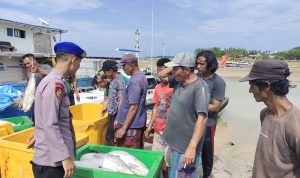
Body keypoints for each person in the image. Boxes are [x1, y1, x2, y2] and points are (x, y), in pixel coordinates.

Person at [32, 42, 86, 178]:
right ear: (74, 60)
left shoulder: (52, 81)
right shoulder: (54, 84)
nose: (78, 68)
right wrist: (65, 157)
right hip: (52, 164)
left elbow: (45, 118)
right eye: (79, 63)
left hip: (52, 160)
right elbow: (50, 123)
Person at [239, 59, 300, 178]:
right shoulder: (265, 114)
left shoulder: (295, 124)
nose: (250, 90)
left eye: (252, 85)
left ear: (267, 86)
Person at [158, 52, 210, 178]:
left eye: (176, 69)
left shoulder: (200, 87)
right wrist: (175, 66)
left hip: (186, 147)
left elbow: (202, 119)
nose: (173, 72)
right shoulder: (178, 81)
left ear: (187, 70)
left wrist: (192, 147)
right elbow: (161, 74)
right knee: (173, 174)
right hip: (173, 142)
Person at [195, 50, 226, 178]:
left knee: (207, 151)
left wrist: (196, 106)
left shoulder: (218, 82)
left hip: (208, 123)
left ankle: (206, 174)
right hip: (193, 120)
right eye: (197, 63)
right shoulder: (196, 77)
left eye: (202, 64)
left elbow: (216, 106)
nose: (198, 66)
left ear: (211, 64)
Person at [145, 58, 173, 178]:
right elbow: (155, 107)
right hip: (158, 129)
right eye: (158, 70)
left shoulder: (176, 86)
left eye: (163, 71)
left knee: (169, 161)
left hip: (172, 131)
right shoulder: (158, 87)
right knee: (157, 158)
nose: (160, 74)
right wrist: (150, 126)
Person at [114, 53, 147, 149]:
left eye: (124, 66)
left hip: (131, 126)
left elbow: (133, 107)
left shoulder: (135, 81)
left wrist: (123, 128)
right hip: (134, 123)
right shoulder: (141, 76)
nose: (123, 69)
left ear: (131, 65)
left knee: (128, 153)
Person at [100, 60, 126, 145]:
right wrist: (106, 107)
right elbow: (111, 97)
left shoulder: (119, 81)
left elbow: (121, 100)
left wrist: (118, 118)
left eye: (105, 72)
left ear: (110, 71)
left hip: (116, 115)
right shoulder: (112, 80)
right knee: (109, 138)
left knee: (114, 140)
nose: (104, 74)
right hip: (111, 114)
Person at [19, 54, 52, 122]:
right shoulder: (29, 72)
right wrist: (23, 99)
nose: (27, 65)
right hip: (36, 100)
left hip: (47, 99)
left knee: (47, 120)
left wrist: (38, 71)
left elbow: (55, 74)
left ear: (34, 60)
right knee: (36, 120)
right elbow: (28, 86)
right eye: (25, 64)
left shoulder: (45, 67)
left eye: (28, 63)